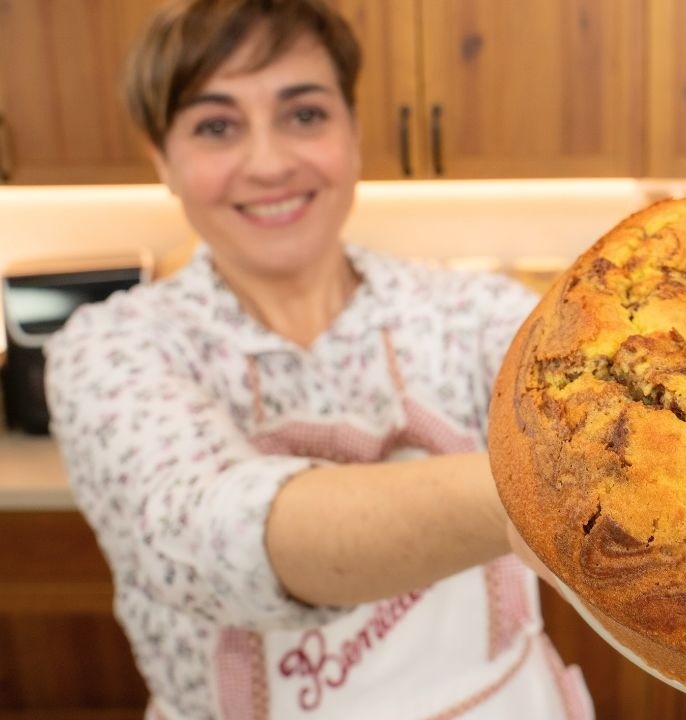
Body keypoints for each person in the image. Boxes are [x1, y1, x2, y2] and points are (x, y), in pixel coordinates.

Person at [43, 1, 590, 718]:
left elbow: (592, 395)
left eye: (304, 115)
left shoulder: (469, 311)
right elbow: (219, 535)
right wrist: (536, 493)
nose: (269, 163)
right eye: (216, 127)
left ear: (353, 133)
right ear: (162, 160)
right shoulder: (111, 350)